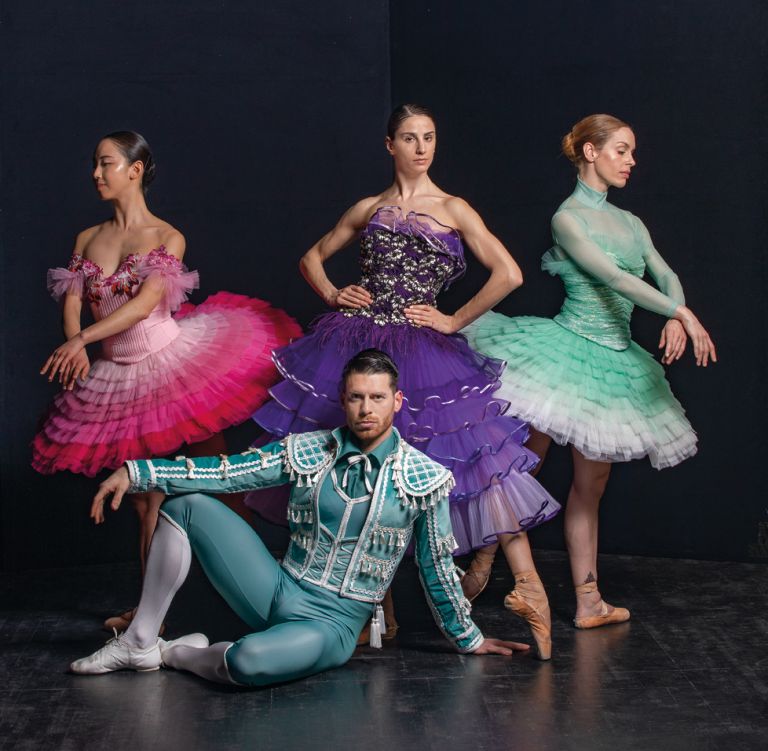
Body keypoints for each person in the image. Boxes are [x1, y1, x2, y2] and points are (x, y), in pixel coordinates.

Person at [247, 104, 559, 658]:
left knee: (476, 459)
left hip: (424, 350)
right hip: (358, 342)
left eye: (429, 137)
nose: (421, 148)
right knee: (364, 467)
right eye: (410, 138)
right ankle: (377, 604)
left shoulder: (453, 207)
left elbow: (509, 273)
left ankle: (529, 588)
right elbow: (312, 258)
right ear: (390, 145)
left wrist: (453, 320)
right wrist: (332, 293)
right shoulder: (369, 207)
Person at [69, 349, 528, 686]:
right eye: (356, 397)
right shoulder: (310, 449)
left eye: (376, 397)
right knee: (184, 506)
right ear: (343, 399)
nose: (366, 409)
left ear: (397, 400)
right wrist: (138, 472)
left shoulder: (423, 478)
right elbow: (229, 473)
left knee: (245, 662)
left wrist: (468, 638)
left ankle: (174, 655)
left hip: (332, 623)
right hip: (277, 587)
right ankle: (139, 641)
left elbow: (435, 565)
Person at [33, 131, 301, 630]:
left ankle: (272, 593)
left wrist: (83, 338)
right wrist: (77, 347)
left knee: (221, 483)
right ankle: (150, 614)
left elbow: (142, 305)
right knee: (144, 498)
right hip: (118, 377)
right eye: (95, 163)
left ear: (135, 170)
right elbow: (71, 303)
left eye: (106, 163)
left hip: (175, 366)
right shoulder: (87, 238)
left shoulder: (167, 237)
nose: (96, 173)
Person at [461, 114, 717, 628]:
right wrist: (680, 314)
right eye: (622, 150)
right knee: (523, 465)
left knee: (590, 486)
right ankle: (484, 557)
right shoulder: (568, 218)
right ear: (590, 151)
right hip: (563, 354)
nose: (631, 161)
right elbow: (614, 278)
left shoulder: (632, 222)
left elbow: (665, 273)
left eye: (632, 151)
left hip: (613, 364)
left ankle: (588, 601)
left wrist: (677, 312)